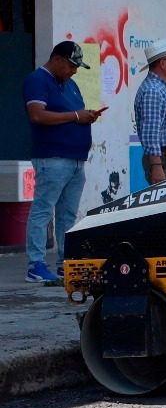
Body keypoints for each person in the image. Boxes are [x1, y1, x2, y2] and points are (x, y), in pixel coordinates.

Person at [22, 41, 102, 283]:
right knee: (43, 209)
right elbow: (37, 114)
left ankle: (65, 263)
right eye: (71, 65)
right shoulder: (38, 79)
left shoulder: (71, 85)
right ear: (57, 59)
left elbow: (72, 115)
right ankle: (35, 264)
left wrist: (86, 117)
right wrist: (76, 116)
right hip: (53, 158)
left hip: (76, 160)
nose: (74, 71)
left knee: (67, 214)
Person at [133, 39, 166, 185]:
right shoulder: (153, 91)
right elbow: (150, 132)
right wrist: (156, 166)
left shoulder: (163, 88)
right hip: (165, 161)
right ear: (163, 63)